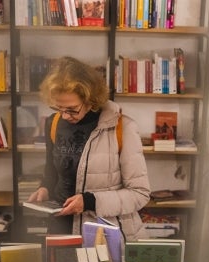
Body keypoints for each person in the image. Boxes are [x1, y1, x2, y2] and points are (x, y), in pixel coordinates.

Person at [28, 56, 151, 240]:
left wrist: (90, 202)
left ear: (90, 99)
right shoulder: (53, 123)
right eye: (58, 108)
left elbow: (140, 194)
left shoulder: (122, 128)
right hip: (59, 228)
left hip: (103, 233)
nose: (65, 116)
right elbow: (52, 171)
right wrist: (45, 188)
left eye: (72, 109)